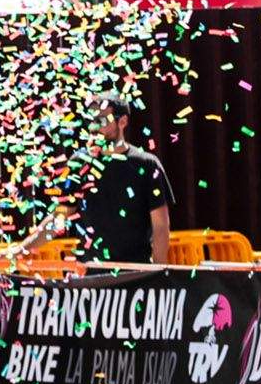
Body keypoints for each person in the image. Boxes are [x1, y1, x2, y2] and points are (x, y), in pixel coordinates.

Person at [21, 95, 174, 263]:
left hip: (135, 271)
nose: (94, 127)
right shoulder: (79, 163)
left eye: (101, 120)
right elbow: (60, 216)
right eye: (91, 120)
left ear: (122, 121)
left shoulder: (147, 164)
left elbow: (160, 226)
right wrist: (21, 250)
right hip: (92, 271)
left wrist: (158, 272)